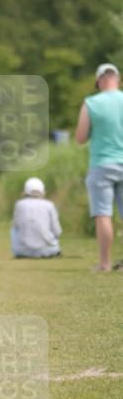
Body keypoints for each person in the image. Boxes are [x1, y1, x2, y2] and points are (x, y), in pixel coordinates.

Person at [75, 62, 123, 271]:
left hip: (102, 164)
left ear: (99, 81)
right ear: (118, 79)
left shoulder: (91, 103)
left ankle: (104, 263)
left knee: (103, 214)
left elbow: (80, 138)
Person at [11, 177, 62, 258]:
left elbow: (16, 226)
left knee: (13, 229)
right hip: (47, 251)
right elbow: (58, 232)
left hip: (23, 252)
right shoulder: (49, 205)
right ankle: (54, 250)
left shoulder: (19, 204)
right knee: (53, 231)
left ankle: (17, 250)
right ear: (42, 191)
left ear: (26, 191)